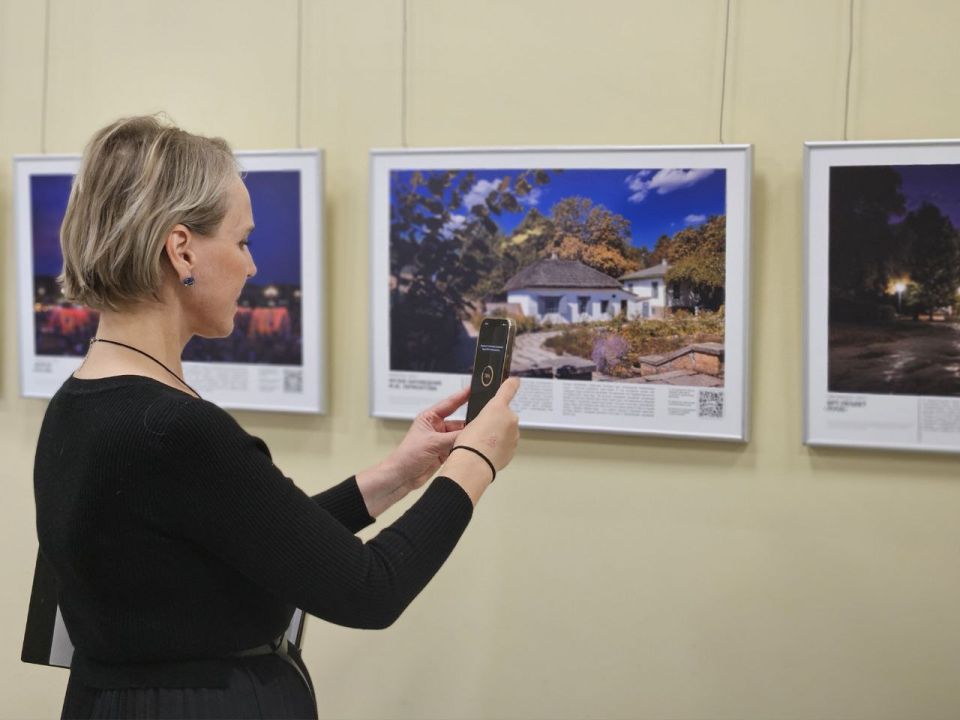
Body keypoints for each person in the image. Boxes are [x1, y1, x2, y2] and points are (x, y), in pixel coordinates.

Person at [32, 115, 520, 719]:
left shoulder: (79, 404)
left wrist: (396, 475)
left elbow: (256, 536)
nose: (253, 267)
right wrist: (477, 461)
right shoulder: (174, 429)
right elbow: (370, 590)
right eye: (242, 242)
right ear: (181, 248)